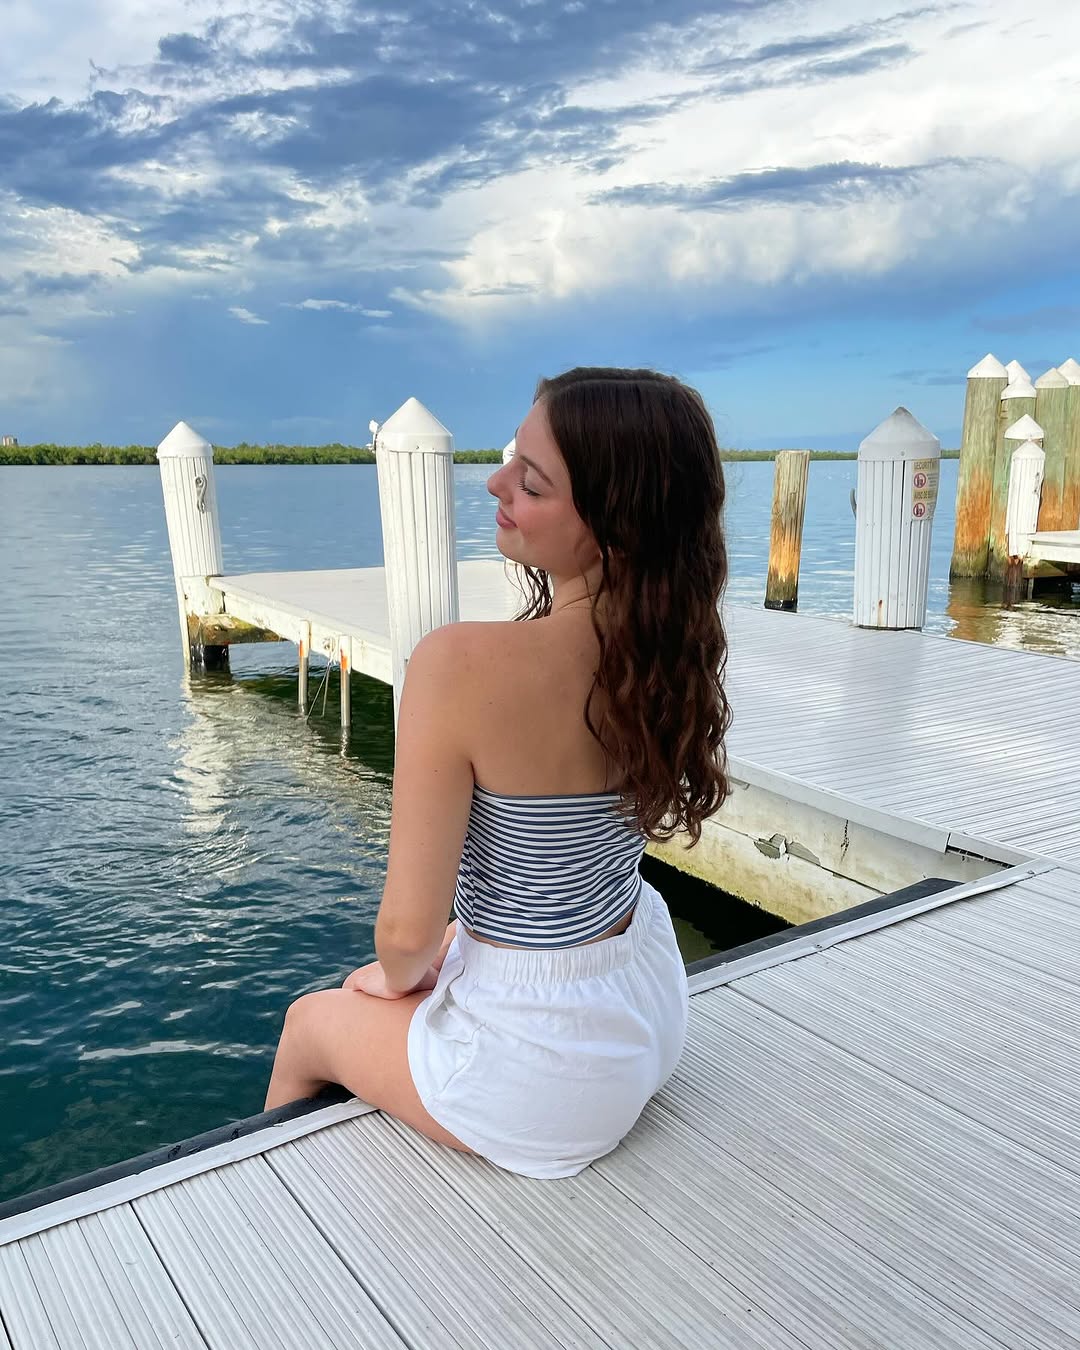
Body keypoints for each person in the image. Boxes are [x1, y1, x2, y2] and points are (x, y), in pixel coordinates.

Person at [264, 366, 733, 1178]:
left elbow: (404, 935)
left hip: (544, 1078)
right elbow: (551, 877)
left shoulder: (459, 665)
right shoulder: (665, 654)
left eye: (533, 481)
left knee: (312, 1020)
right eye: (512, 457)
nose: (495, 483)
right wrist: (440, 954)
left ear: (614, 527)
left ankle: (265, 1212)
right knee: (437, 957)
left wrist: (399, 974)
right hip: (646, 1005)